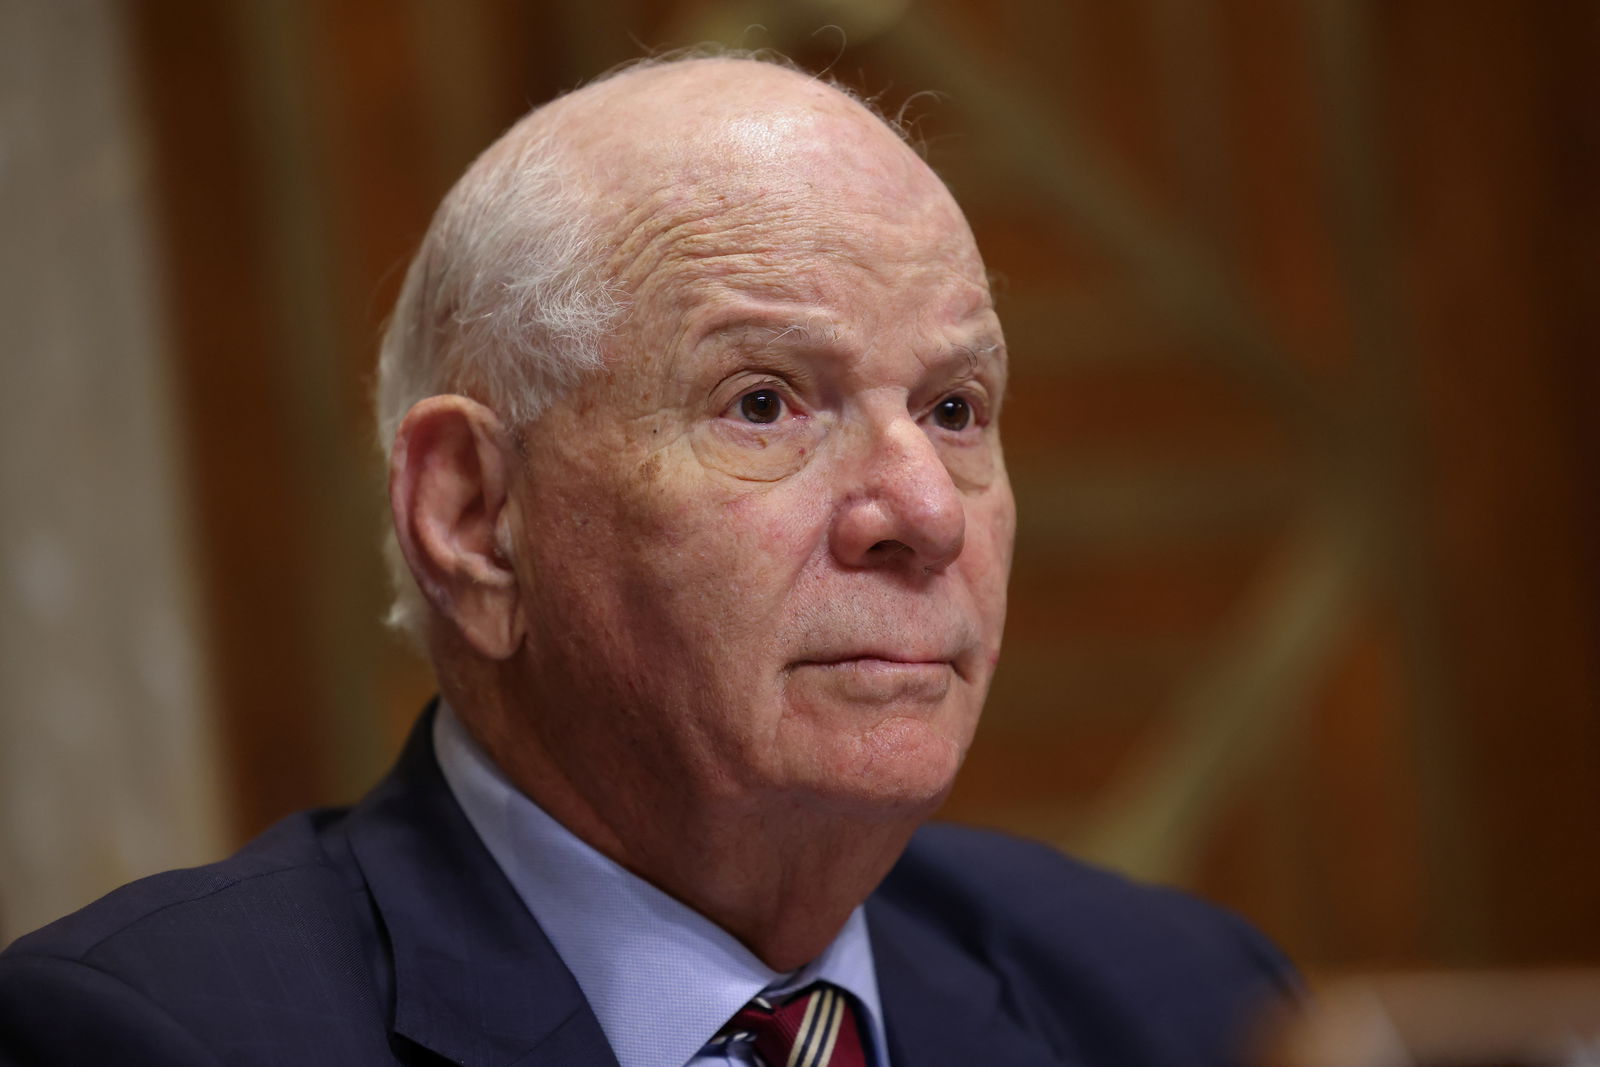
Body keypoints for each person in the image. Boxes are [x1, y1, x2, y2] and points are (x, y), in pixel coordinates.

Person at [0, 53, 1294, 1066]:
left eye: (955, 409)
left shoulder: (1187, 1006)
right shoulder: (151, 1039)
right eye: (766, 403)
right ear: (474, 518)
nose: (924, 511)